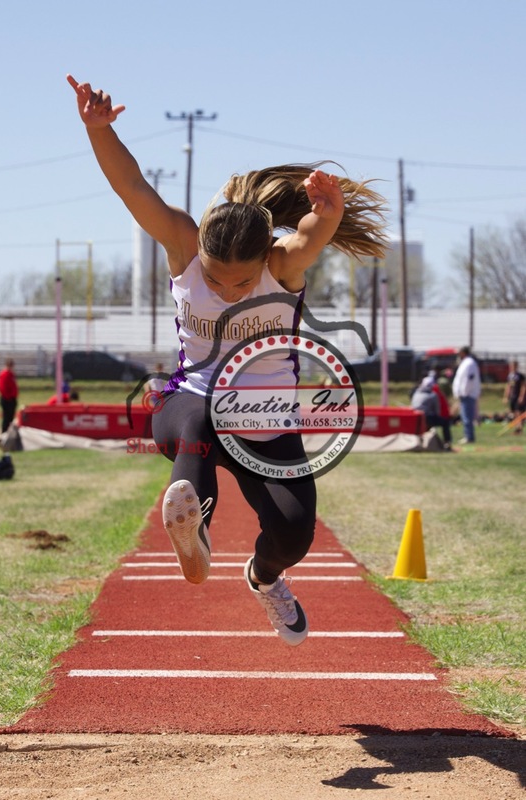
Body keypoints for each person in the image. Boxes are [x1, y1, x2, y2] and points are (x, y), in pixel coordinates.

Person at [67, 74, 387, 646]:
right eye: (216, 281)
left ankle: (265, 577)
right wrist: (98, 131)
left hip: (267, 421)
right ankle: (196, 532)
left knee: (294, 535)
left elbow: (310, 236)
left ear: (265, 259)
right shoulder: (184, 247)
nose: (230, 290)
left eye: (242, 283)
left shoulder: (281, 266)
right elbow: (132, 187)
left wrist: (329, 211)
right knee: (197, 417)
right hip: (189, 403)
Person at [410, 375, 452, 449]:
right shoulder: (433, 395)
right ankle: (447, 442)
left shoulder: (416, 393)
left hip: (415, 417)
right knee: (445, 422)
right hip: (426, 418)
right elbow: (437, 411)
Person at [452, 346, 481, 444]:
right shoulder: (465, 363)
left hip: (468, 394)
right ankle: (468, 436)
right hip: (465, 394)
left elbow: (469, 379)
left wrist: (464, 392)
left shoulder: (469, 363)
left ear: (463, 353)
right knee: (465, 416)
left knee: (467, 417)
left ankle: (469, 437)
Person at [0, 358, 19, 433]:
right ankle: (4, 432)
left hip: (12, 398)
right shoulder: (4, 374)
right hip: (7, 399)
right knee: (6, 418)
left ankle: (9, 433)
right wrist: (8, 397)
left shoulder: (11, 374)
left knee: (11, 418)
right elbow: (2, 387)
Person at [503, 360, 525, 434]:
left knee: (518, 412)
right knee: (513, 413)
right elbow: (508, 386)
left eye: (513, 366)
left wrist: (521, 397)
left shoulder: (520, 376)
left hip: (518, 396)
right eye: (511, 366)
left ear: (516, 366)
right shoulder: (510, 376)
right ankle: (517, 428)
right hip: (512, 397)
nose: (512, 367)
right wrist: (506, 397)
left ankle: (519, 428)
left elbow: (523, 386)